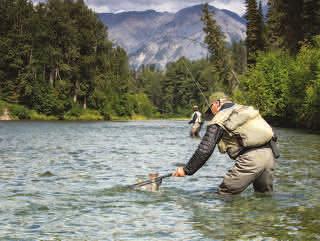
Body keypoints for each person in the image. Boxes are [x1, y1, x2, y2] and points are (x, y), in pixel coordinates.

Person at [173, 96, 279, 195]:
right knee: (264, 196)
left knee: (224, 194)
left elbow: (205, 149)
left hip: (251, 160)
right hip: (270, 155)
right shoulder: (245, 109)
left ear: (217, 103)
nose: (211, 114)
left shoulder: (220, 118)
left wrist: (187, 170)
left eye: (210, 110)